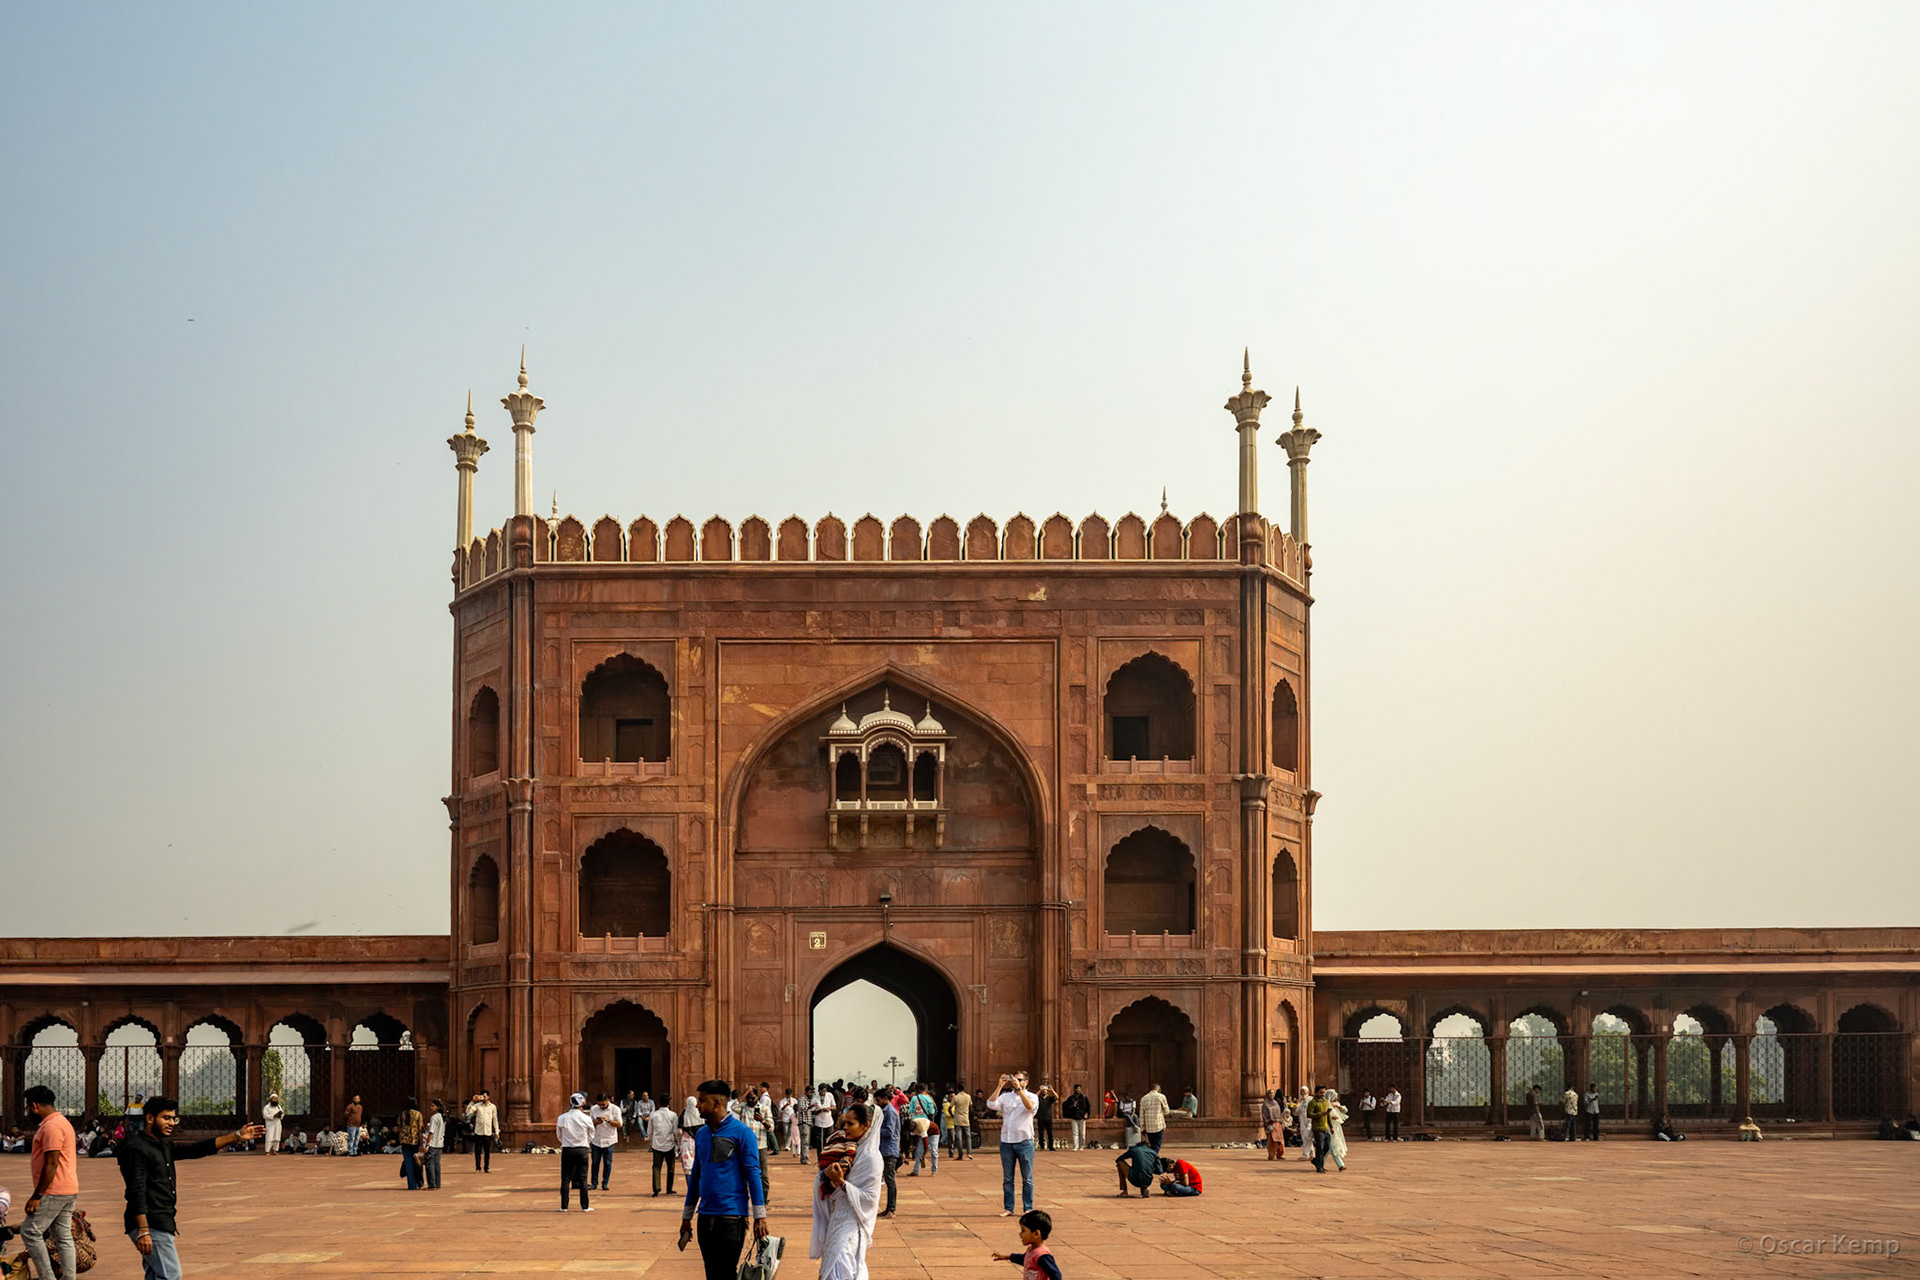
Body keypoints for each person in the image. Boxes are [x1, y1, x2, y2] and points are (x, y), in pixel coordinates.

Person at [117, 1094, 264, 1279]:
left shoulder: (162, 1145)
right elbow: (135, 1191)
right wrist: (143, 1230)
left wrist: (236, 1137)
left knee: (156, 1275)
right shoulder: (137, 1148)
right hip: (151, 1222)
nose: (171, 1123)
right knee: (172, 1275)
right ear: (149, 1118)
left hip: (162, 1220)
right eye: (166, 1118)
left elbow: (195, 1149)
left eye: (173, 1118)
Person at [679, 1078, 769, 1280]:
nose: (698, 1105)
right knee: (712, 1274)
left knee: (726, 1273)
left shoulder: (742, 1133)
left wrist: (760, 1216)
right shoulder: (701, 1134)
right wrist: (687, 1216)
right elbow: (696, 1177)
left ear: (718, 1103)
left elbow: (753, 1174)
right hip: (705, 1216)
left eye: (702, 1101)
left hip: (732, 1217)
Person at [809, 1101, 883, 1280]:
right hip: (837, 1219)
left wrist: (841, 1182)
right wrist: (826, 1175)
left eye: (851, 1124)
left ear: (865, 1126)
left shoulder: (871, 1158)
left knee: (842, 1269)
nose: (845, 1128)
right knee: (830, 1270)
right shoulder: (850, 1150)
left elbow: (870, 1198)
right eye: (845, 1123)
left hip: (852, 1225)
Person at [20, 1084, 80, 1280]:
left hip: (53, 1190)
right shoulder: (62, 1122)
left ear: (34, 1106)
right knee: (62, 1236)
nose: (29, 1112)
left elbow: (51, 1163)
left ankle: (48, 1277)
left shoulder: (51, 1126)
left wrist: (37, 1195)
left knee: (30, 1232)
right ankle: (68, 1278)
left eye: (28, 1107)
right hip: (68, 1187)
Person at [987, 1072, 1038, 1218]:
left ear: (1026, 1082)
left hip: (1024, 1141)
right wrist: (999, 1086)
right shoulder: (1005, 1097)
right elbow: (990, 1104)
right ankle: (1008, 1207)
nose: (1016, 1082)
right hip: (1007, 1142)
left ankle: (1028, 1207)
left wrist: (1020, 1091)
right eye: (1014, 1079)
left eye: (1020, 1080)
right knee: (1008, 1178)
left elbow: (1030, 1108)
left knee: (1027, 1178)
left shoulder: (1032, 1096)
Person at [992, 1209, 1062, 1280]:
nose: (1020, 1234)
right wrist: (1007, 1257)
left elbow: (1055, 1274)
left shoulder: (1042, 1255)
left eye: (1023, 1230)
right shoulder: (1031, 1250)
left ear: (1036, 1234)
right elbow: (1024, 1259)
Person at [649, 1093, 682, 1196]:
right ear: (669, 1103)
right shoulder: (673, 1115)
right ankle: (669, 1188)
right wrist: (678, 1142)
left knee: (656, 1167)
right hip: (669, 1144)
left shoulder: (653, 1114)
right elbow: (675, 1131)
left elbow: (650, 1130)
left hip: (657, 1144)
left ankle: (656, 1188)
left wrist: (650, 1141)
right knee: (671, 1167)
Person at [876, 1087, 901, 1219]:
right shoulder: (885, 1111)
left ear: (886, 1099)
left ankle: (892, 1208)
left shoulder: (890, 1112)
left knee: (890, 1180)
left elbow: (889, 1132)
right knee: (886, 1178)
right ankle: (888, 1208)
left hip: (889, 1149)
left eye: (879, 1100)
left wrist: (874, 1131)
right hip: (884, 1149)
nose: (877, 1102)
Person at [589, 1093, 621, 1191]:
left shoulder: (615, 1109)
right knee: (595, 1163)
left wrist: (609, 1121)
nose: (601, 1107)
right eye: (600, 1105)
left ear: (608, 1101)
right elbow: (589, 1123)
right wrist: (596, 1122)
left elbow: (619, 1124)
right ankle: (594, 1183)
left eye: (603, 1105)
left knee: (607, 1163)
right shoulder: (594, 1109)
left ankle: (605, 1183)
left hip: (609, 1139)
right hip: (596, 1139)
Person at [908, 1083, 938, 1176]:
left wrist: (925, 1152)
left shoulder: (913, 1099)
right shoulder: (928, 1098)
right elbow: (932, 1111)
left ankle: (916, 1170)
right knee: (934, 1151)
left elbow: (911, 1111)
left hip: (926, 1128)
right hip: (924, 1122)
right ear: (926, 1090)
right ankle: (933, 1171)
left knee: (919, 1150)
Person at [397, 1098, 425, 1189]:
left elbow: (399, 1129)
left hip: (405, 1141)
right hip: (415, 1141)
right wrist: (421, 1143)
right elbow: (420, 1129)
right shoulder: (418, 1114)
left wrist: (400, 1140)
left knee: (408, 1163)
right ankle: (419, 1182)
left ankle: (411, 1184)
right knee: (417, 1161)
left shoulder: (402, 1114)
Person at [467, 1091, 498, 1172]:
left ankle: (486, 1167)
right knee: (478, 1151)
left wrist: (497, 1131)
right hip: (479, 1131)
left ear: (488, 1097)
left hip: (488, 1132)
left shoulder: (493, 1107)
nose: (483, 1098)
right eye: (482, 1096)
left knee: (487, 1152)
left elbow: (495, 1120)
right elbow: (468, 1112)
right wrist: (472, 1101)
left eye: (484, 1096)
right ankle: (478, 1167)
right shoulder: (477, 1106)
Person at [1136, 1083, 1170, 1153]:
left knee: (1152, 1145)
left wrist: (1142, 1128)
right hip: (1158, 1125)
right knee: (1157, 1146)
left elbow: (1141, 1115)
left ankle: (1151, 1158)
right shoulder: (1161, 1097)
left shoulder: (1144, 1098)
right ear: (1159, 1089)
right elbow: (1167, 1111)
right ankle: (1153, 1159)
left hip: (1148, 1127)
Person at [1307, 1087, 1333, 1173]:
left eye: (1323, 1093)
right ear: (1316, 1092)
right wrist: (1320, 1114)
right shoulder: (1312, 1103)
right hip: (1317, 1128)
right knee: (1319, 1148)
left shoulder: (1325, 1102)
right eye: (1321, 1093)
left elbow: (1328, 1115)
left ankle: (1316, 1161)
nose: (1322, 1094)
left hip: (1325, 1127)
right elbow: (1309, 1114)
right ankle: (1319, 1167)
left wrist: (1331, 1126)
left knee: (1327, 1147)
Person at [422, 1099, 446, 1190]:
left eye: (433, 1106)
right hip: (440, 1143)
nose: (431, 1108)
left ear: (438, 1107)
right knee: (437, 1164)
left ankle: (432, 1185)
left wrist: (427, 1144)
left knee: (429, 1164)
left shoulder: (434, 1117)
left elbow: (431, 1132)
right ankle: (437, 1184)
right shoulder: (442, 1117)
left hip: (433, 1143)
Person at [1062, 1085, 1092, 1152]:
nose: (1078, 1090)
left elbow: (1088, 1107)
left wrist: (1087, 1114)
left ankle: (1082, 1146)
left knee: (1082, 1133)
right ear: (1074, 1090)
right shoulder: (1071, 1098)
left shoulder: (1084, 1098)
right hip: (1074, 1117)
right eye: (1076, 1089)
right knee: (1075, 1133)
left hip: (1082, 1117)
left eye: (1079, 1089)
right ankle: (1076, 1146)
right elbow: (1066, 1106)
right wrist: (1072, 1106)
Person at [810, 1084, 838, 1156]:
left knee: (830, 1140)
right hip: (819, 1123)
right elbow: (812, 1111)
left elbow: (834, 1107)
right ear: (819, 1091)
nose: (823, 1093)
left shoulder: (830, 1095)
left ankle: (829, 1155)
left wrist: (829, 1108)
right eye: (822, 1092)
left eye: (825, 1091)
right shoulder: (815, 1098)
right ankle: (820, 1156)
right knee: (820, 1141)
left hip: (829, 1122)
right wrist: (820, 1110)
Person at [1326, 1090, 1349, 1171]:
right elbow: (1324, 1115)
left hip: (1336, 1128)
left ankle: (1320, 1163)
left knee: (1328, 1148)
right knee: (1332, 1146)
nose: (1337, 1097)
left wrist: (1338, 1106)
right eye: (1335, 1096)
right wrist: (1331, 1117)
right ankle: (1340, 1165)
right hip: (1329, 1127)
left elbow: (1345, 1110)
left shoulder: (1336, 1104)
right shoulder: (1326, 1105)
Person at [1261, 1090, 1288, 1160]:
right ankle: (1271, 1155)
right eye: (1270, 1093)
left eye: (1273, 1093)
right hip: (1271, 1124)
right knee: (1272, 1140)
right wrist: (1268, 1123)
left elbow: (1279, 1113)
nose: (1272, 1095)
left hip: (1278, 1123)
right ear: (1267, 1094)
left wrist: (1281, 1122)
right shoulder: (1265, 1104)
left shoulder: (1276, 1103)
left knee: (1280, 1140)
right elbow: (1264, 1115)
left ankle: (1280, 1154)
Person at [950, 1083, 974, 1161]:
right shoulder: (968, 1096)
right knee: (968, 1136)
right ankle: (969, 1153)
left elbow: (950, 1108)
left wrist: (952, 1115)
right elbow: (970, 1105)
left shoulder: (956, 1097)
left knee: (959, 1137)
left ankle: (960, 1154)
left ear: (957, 1089)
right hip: (966, 1119)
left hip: (957, 1119)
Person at [1035, 1083, 1058, 1152]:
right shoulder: (1038, 1098)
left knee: (1050, 1132)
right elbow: (1034, 1097)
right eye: (1043, 1090)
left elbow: (1057, 1097)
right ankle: (1041, 1146)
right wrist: (1039, 1090)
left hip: (1048, 1117)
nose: (1044, 1091)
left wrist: (1052, 1090)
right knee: (1040, 1133)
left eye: (1045, 1090)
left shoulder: (1049, 1098)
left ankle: (1051, 1146)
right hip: (1040, 1117)